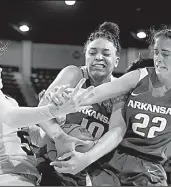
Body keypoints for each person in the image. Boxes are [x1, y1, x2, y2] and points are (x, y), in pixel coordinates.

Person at [51, 26, 171, 186]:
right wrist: (64, 98)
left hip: (148, 165)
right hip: (113, 155)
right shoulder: (139, 76)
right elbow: (97, 93)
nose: (158, 58)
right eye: (156, 52)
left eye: (165, 53)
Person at [0, 15, 94, 186]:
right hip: (7, 179)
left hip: (19, 178)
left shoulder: (5, 102)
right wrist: (54, 110)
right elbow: (12, 117)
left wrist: (59, 129)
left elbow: (33, 138)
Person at [36, 22, 127, 186]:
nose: (98, 57)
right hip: (54, 157)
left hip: (92, 164)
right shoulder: (74, 73)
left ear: (117, 60)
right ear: (86, 57)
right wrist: (59, 136)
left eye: (106, 53)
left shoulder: (119, 91)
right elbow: (41, 113)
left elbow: (117, 132)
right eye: (92, 52)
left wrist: (85, 159)